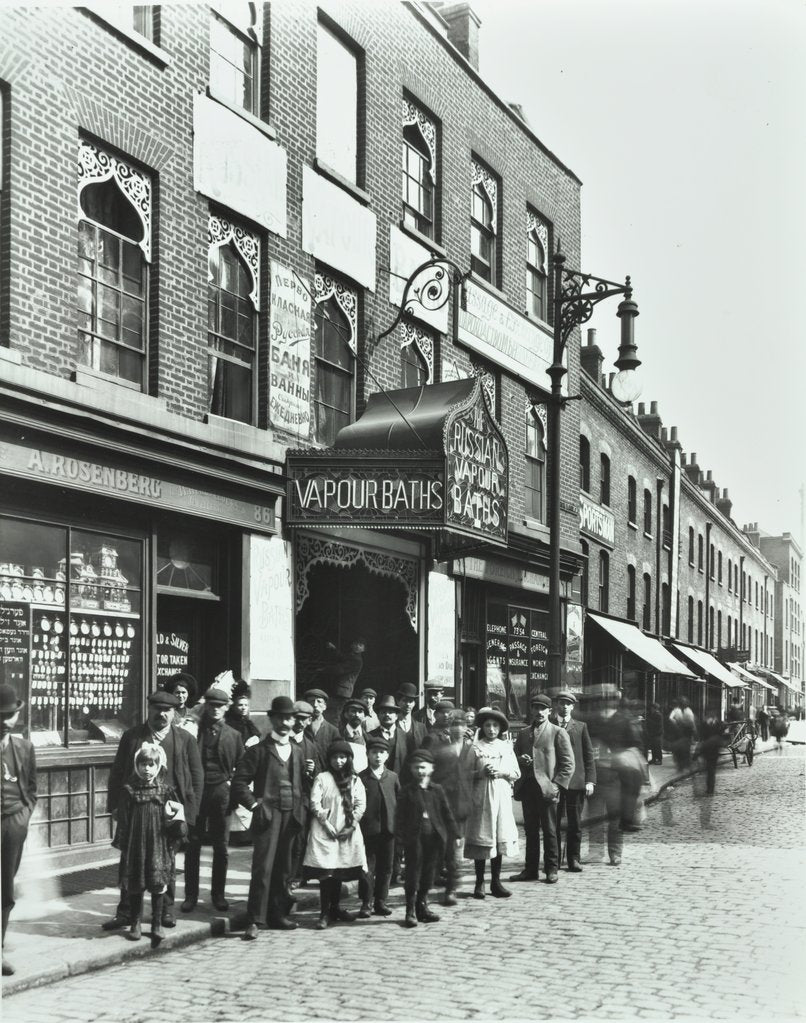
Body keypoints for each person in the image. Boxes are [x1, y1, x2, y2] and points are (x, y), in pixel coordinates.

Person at [104, 689, 203, 931]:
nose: (162, 714)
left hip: (169, 811)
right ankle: (126, 912)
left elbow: (197, 777)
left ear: (174, 713)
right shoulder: (132, 737)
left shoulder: (185, 739)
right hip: (137, 809)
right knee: (130, 859)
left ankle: (165, 911)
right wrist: (115, 806)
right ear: (148, 710)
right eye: (157, 709)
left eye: (167, 710)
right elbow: (118, 772)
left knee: (166, 860)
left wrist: (190, 813)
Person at [232, 696, 307, 939]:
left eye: (289, 718)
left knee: (284, 869)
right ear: (272, 720)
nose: (285, 723)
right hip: (268, 817)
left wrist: (300, 809)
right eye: (281, 718)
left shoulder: (297, 751)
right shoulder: (259, 751)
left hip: (291, 817)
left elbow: (301, 785)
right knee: (262, 869)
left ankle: (278, 914)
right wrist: (255, 806)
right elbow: (240, 783)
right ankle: (255, 919)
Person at [113, 742, 187, 948]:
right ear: (137, 766)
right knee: (136, 884)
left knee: (157, 884)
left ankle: (156, 923)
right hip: (136, 843)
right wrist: (125, 844)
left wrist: (174, 837)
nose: (147, 769)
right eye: (143, 764)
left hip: (158, 842)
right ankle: (135, 923)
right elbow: (124, 820)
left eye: (151, 765)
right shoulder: (129, 790)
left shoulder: (165, 791)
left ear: (158, 766)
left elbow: (175, 818)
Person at [181, 687, 245, 914]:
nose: (216, 709)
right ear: (205, 706)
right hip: (196, 794)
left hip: (221, 793)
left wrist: (232, 789)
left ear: (227, 708)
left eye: (220, 706)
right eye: (212, 705)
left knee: (221, 847)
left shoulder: (234, 735)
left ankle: (218, 895)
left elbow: (242, 768)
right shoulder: (193, 732)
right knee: (193, 845)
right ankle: (191, 896)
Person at [510, 693, 573, 885]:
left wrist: (557, 785)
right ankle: (530, 869)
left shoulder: (557, 732)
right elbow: (513, 758)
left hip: (547, 789)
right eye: (535, 708)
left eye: (542, 708)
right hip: (528, 787)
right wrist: (520, 761)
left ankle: (551, 869)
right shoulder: (522, 733)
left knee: (550, 830)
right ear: (531, 710)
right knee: (530, 830)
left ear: (549, 711)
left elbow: (568, 764)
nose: (539, 712)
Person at [303, 740, 367, 930]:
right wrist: (327, 824)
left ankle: (336, 908)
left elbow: (360, 805)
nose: (338, 761)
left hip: (347, 831)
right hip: (325, 831)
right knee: (326, 872)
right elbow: (315, 803)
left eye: (342, 757)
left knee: (338, 871)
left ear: (348, 759)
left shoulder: (355, 780)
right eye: (334, 757)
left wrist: (351, 825)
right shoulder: (322, 778)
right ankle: (324, 912)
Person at [395, 748, 459, 927]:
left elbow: (446, 814)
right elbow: (399, 817)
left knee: (429, 874)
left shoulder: (436, 790)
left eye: (423, 767)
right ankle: (410, 910)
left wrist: (455, 834)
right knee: (413, 875)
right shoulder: (407, 791)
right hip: (414, 840)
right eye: (416, 768)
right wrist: (399, 841)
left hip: (434, 839)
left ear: (431, 768)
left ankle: (422, 906)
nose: (419, 771)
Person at [465, 706, 520, 899]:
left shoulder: (505, 748)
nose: (491, 730)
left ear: (500, 728)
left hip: (502, 798)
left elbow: (516, 772)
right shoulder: (474, 748)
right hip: (481, 799)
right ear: (482, 727)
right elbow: (463, 774)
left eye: (495, 726)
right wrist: (480, 773)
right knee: (483, 837)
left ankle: (496, 882)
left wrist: (502, 773)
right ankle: (479, 882)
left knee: (499, 836)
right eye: (487, 725)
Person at [1, 683, 37, 977]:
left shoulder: (24, 748)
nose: (3, 721)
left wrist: (24, 816)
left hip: (14, 823)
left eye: (9, 715)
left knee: (5, 890)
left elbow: (33, 788)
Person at [429, 708, 476, 905]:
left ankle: (450, 890)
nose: (458, 729)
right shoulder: (437, 745)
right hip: (439, 805)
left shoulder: (471, 749)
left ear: (467, 727)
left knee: (455, 850)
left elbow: (472, 776)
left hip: (460, 808)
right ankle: (427, 885)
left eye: (461, 725)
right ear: (448, 726)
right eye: (454, 724)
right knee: (435, 849)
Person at [552, 689, 596, 873]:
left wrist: (590, 780)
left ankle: (573, 859)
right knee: (552, 824)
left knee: (574, 823)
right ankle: (553, 860)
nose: (564, 706)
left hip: (576, 782)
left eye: (568, 703)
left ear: (573, 706)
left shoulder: (581, 726)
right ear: (556, 705)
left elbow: (588, 755)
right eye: (561, 703)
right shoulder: (548, 724)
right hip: (554, 781)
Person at [357, 736, 399, 918]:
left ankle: (381, 901)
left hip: (389, 830)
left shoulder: (393, 777)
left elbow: (399, 801)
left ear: (387, 755)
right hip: (368, 829)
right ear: (367, 755)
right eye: (374, 753)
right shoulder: (361, 778)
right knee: (367, 867)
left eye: (382, 753)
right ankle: (366, 902)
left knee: (386, 867)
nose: (378, 756)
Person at [288, 701, 322, 888]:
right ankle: (285, 875)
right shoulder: (284, 740)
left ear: (309, 721)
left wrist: (312, 770)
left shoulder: (311, 745)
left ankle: (297, 875)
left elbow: (318, 777)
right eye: (297, 718)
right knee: (286, 839)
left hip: (302, 798)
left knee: (301, 838)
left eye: (304, 719)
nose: (300, 723)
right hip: (284, 797)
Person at [608, 696, 648, 832]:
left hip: (616, 758)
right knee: (631, 791)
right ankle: (626, 822)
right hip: (628, 759)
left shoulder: (613, 718)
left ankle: (623, 819)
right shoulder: (627, 720)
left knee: (624, 790)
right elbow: (635, 739)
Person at [303, 688, 340, 760]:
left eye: (319, 701)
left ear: (325, 706)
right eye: (311, 701)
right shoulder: (300, 728)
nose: (315, 705)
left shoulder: (333, 731)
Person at [224, 680, 261, 746]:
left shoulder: (246, 720)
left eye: (246, 705)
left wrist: (254, 738)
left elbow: (256, 733)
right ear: (234, 706)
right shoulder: (229, 721)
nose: (244, 708)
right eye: (240, 705)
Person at [163, 672, 200, 737]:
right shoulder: (168, 712)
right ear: (172, 694)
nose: (180, 695)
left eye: (183, 692)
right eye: (177, 692)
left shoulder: (192, 713)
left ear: (188, 694)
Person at [668, 696, 697, 773]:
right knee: (681, 748)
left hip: (687, 731)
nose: (680, 706)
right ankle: (683, 765)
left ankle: (685, 765)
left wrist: (694, 731)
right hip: (681, 731)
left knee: (685, 748)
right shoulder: (680, 711)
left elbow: (691, 723)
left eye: (682, 704)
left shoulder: (688, 712)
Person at [340, 697, 369, 773]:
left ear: (364, 716)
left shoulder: (369, 738)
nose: (357, 715)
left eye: (360, 712)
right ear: (346, 714)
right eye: (353, 711)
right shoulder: (338, 734)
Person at [395, 683, 427, 749]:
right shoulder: (392, 725)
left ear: (414, 703)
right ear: (398, 701)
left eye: (411, 701)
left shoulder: (421, 728)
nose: (408, 704)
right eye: (404, 700)